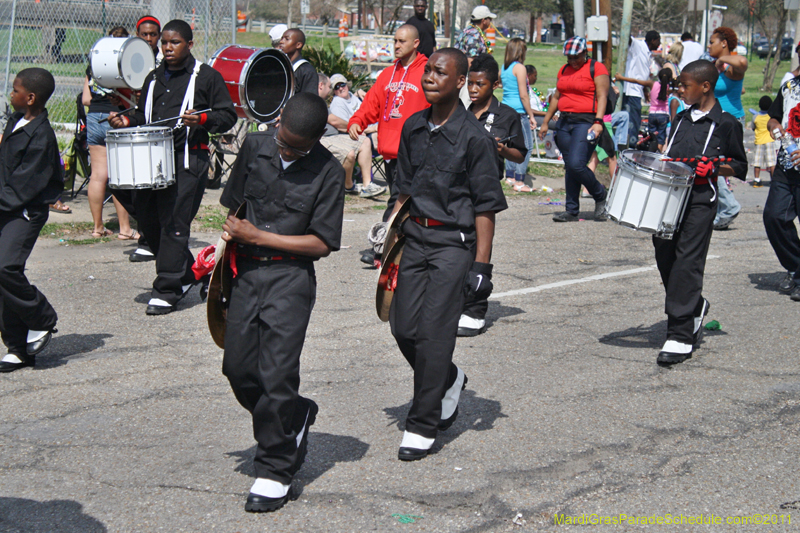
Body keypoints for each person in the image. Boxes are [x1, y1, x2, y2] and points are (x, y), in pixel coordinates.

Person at [219, 93, 344, 512]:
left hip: (290, 279)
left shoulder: (328, 171)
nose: (284, 150)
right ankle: (293, 417)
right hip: (246, 272)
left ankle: (274, 469)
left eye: (296, 148)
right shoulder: (256, 146)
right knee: (237, 368)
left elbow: (322, 244)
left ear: (315, 141)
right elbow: (235, 208)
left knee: (276, 374)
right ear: (277, 122)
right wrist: (224, 244)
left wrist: (261, 237)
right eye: (282, 140)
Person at [389, 48, 507, 460]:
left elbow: (485, 206)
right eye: (428, 70)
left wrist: (482, 267)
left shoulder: (475, 139)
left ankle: (422, 423)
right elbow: (403, 190)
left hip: (453, 246)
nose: (429, 77)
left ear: (460, 82)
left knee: (435, 334)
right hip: (414, 240)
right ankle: (449, 379)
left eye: (440, 72)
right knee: (403, 328)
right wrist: (388, 234)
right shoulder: (412, 127)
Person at [108, 19, 237, 315]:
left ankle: (167, 288)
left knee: (174, 223)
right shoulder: (153, 78)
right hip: (153, 163)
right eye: (164, 42)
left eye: (174, 42)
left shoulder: (206, 77)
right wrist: (126, 121)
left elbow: (226, 115)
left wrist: (203, 120)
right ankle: (188, 272)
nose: (167, 47)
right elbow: (144, 117)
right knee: (150, 222)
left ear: (189, 45)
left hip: (188, 161)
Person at [653, 60, 747, 365]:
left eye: (684, 85)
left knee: (687, 262)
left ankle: (680, 333)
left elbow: (741, 166)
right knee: (664, 253)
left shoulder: (726, 123)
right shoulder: (681, 118)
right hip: (671, 197)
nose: (679, 89)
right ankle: (693, 305)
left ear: (705, 86)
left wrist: (716, 167)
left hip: (701, 200)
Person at [458, 53, 525, 337]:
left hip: (484, 190)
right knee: (457, 247)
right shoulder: (459, 111)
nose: (473, 89)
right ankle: (454, 302)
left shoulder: (507, 116)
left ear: (495, 84)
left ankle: (475, 309)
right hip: (456, 189)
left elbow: (519, 155)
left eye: (480, 84)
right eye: (470, 84)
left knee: (480, 251)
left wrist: (501, 150)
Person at [0, 68, 62, 372]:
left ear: (30, 97)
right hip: (6, 206)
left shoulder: (42, 137)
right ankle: (18, 347)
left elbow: (23, 187)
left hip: (23, 210)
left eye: (15, 90)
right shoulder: (17, 120)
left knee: (6, 266)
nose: (11, 94)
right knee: (1, 277)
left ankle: (42, 318)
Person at [348, 24, 429, 220]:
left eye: (402, 41)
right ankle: (398, 244)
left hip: (414, 151)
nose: (396, 45)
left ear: (415, 43)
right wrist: (357, 120)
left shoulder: (427, 73)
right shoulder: (387, 74)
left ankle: (381, 246)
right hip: (390, 151)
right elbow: (371, 104)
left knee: (398, 203)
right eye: (395, 41)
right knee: (401, 203)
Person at [539, 36, 609, 222]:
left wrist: (598, 122)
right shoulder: (564, 69)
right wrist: (546, 122)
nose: (572, 61)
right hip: (564, 122)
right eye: (569, 58)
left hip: (586, 122)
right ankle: (571, 210)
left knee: (577, 164)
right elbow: (556, 97)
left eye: (576, 57)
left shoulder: (597, 68)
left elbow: (602, 96)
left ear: (585, 53)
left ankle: (600, 194)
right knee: (570, 166)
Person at [83, 26, 138, 240]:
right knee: (118, 176)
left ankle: (98, 227)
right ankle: (125, 229)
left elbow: (86, 99)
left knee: (98, 176)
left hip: (94, 118)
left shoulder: (93, 66)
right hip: (116, 118)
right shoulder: (128, 64)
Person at [318, 73, 384, 198]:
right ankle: (348, 185)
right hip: (327, 137)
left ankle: (367, 185)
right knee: (351, 153)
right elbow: (335, 122)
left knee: (366, 141)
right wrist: (354, 126)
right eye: (331, 87)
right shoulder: (319, 101)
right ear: (321, 86)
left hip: (346, 134)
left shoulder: (349, 97)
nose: (333, 91)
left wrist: (359, 93)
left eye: (342, 85)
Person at [764, 74, 800, 300]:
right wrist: (774, 125)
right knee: (774, 216)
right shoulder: (789, 87)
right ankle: (796, 267)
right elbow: (773, 118)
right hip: (786, 166)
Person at [707, 26, 747, 231]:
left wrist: (723, 59)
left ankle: (728, 206)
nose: (708, 45)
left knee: (710, 163)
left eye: (712, 41)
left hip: (732, 122)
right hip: (718, 120)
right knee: (709, 163)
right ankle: (724, 206)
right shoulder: (715, 66)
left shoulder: (731, 66)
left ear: (723, 43)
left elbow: (742, 62)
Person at [500, 38, 536, 192]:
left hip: (506, 109)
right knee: (526, 146)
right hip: (519, 111)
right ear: (521, 51)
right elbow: (524, 95)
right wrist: (531, 115)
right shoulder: (520, 68)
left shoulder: (504, 67)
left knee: (511, 144)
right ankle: (520, 181)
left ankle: (510, 176)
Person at [621, 31, 659, 148]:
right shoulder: (639, 46)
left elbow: (641, 73)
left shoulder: (648, 53)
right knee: (632, 121)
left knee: (636, 121)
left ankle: (630, 145)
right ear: (653, 40)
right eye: (658, 41)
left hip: (638, 91)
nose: (659, 44)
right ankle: (629, 146)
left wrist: (645, 90)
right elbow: (628, 38)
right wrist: (626, 23)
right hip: (631, 92)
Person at [278, 29, 317, 95]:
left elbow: (309, 99)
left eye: (287, 39)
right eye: (282, 38)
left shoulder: (307, 70)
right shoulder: (280, 65)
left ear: (298, 45)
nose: (281, 41)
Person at [752, 95, 776, 188]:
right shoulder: (771, 116)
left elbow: (753, 128)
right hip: (770, 140)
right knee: (772, 162)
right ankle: (773, 180)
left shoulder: (755, 117)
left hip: (759, 141)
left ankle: (756, 179)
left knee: (757, 162)